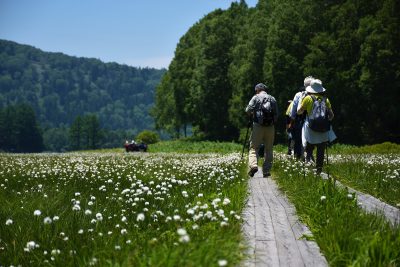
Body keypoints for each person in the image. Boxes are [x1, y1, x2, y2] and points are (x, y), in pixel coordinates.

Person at [297, 79, 334, 174]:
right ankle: (319, 169)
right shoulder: (326, 99)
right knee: (321, 149)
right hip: (323, 129)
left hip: (311, 128)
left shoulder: (308, 98)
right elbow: (331, 115)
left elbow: (299, 111)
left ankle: (308, 163)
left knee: (309, 145)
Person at [245, 83, 278, 178]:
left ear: (257, 90)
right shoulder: (272, 98)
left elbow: (248, 110)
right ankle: (266, 171)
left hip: (258, 126)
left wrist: (252, 114)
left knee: (253, 148)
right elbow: (276, 114)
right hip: (270, 126)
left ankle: (254, 165)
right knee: (269, 148)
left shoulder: (255, 98)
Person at [289, 76, 314, 159]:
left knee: (298, 141)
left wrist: (291, 121)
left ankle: (297, 158)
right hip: (311, 121)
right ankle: (309, 157)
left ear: (304, 84)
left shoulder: (299, 94)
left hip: (299, 120)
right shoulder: (315, 96)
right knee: (310, 141)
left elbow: (293, 111)